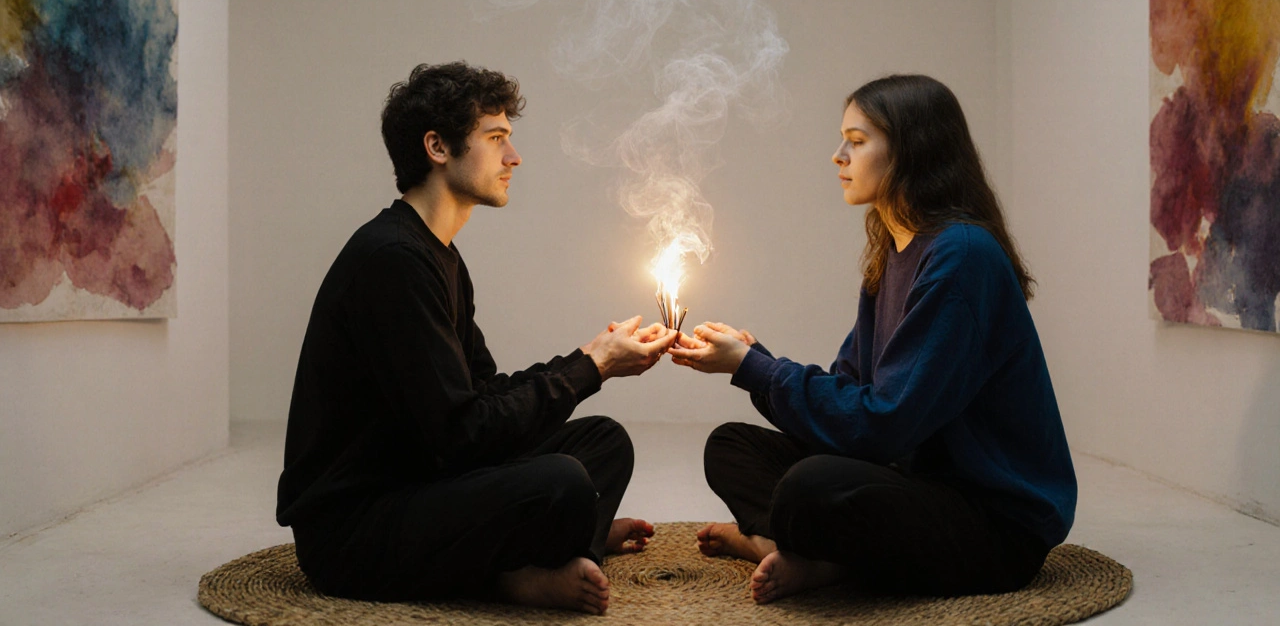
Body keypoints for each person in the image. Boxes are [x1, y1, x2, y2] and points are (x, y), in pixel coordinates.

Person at [277, 61, 678, 615]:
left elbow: (482, 394)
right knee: (562, 481)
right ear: (438, 147)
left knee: (604, 442)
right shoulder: (393, 260)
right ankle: (520, 575)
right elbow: (463, 436)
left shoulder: (439, 255)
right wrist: (593, 368)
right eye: (495, 138)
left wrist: (590, 357)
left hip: (422, 478)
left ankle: (562, 548)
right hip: (355, 532)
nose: (514, 157)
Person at [668, 74, 1077, 603]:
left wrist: (754, 368)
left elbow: (884, 425)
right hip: (913, 478)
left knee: (812, 485)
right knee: (731, 446)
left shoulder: (962, 256)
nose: (838, 156)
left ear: (912, 150)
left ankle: (810, 553)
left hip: (995, 525)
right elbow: (852, 390)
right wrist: (755, 362)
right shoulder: (893, 250)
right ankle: (814, 552)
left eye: (857, 142)